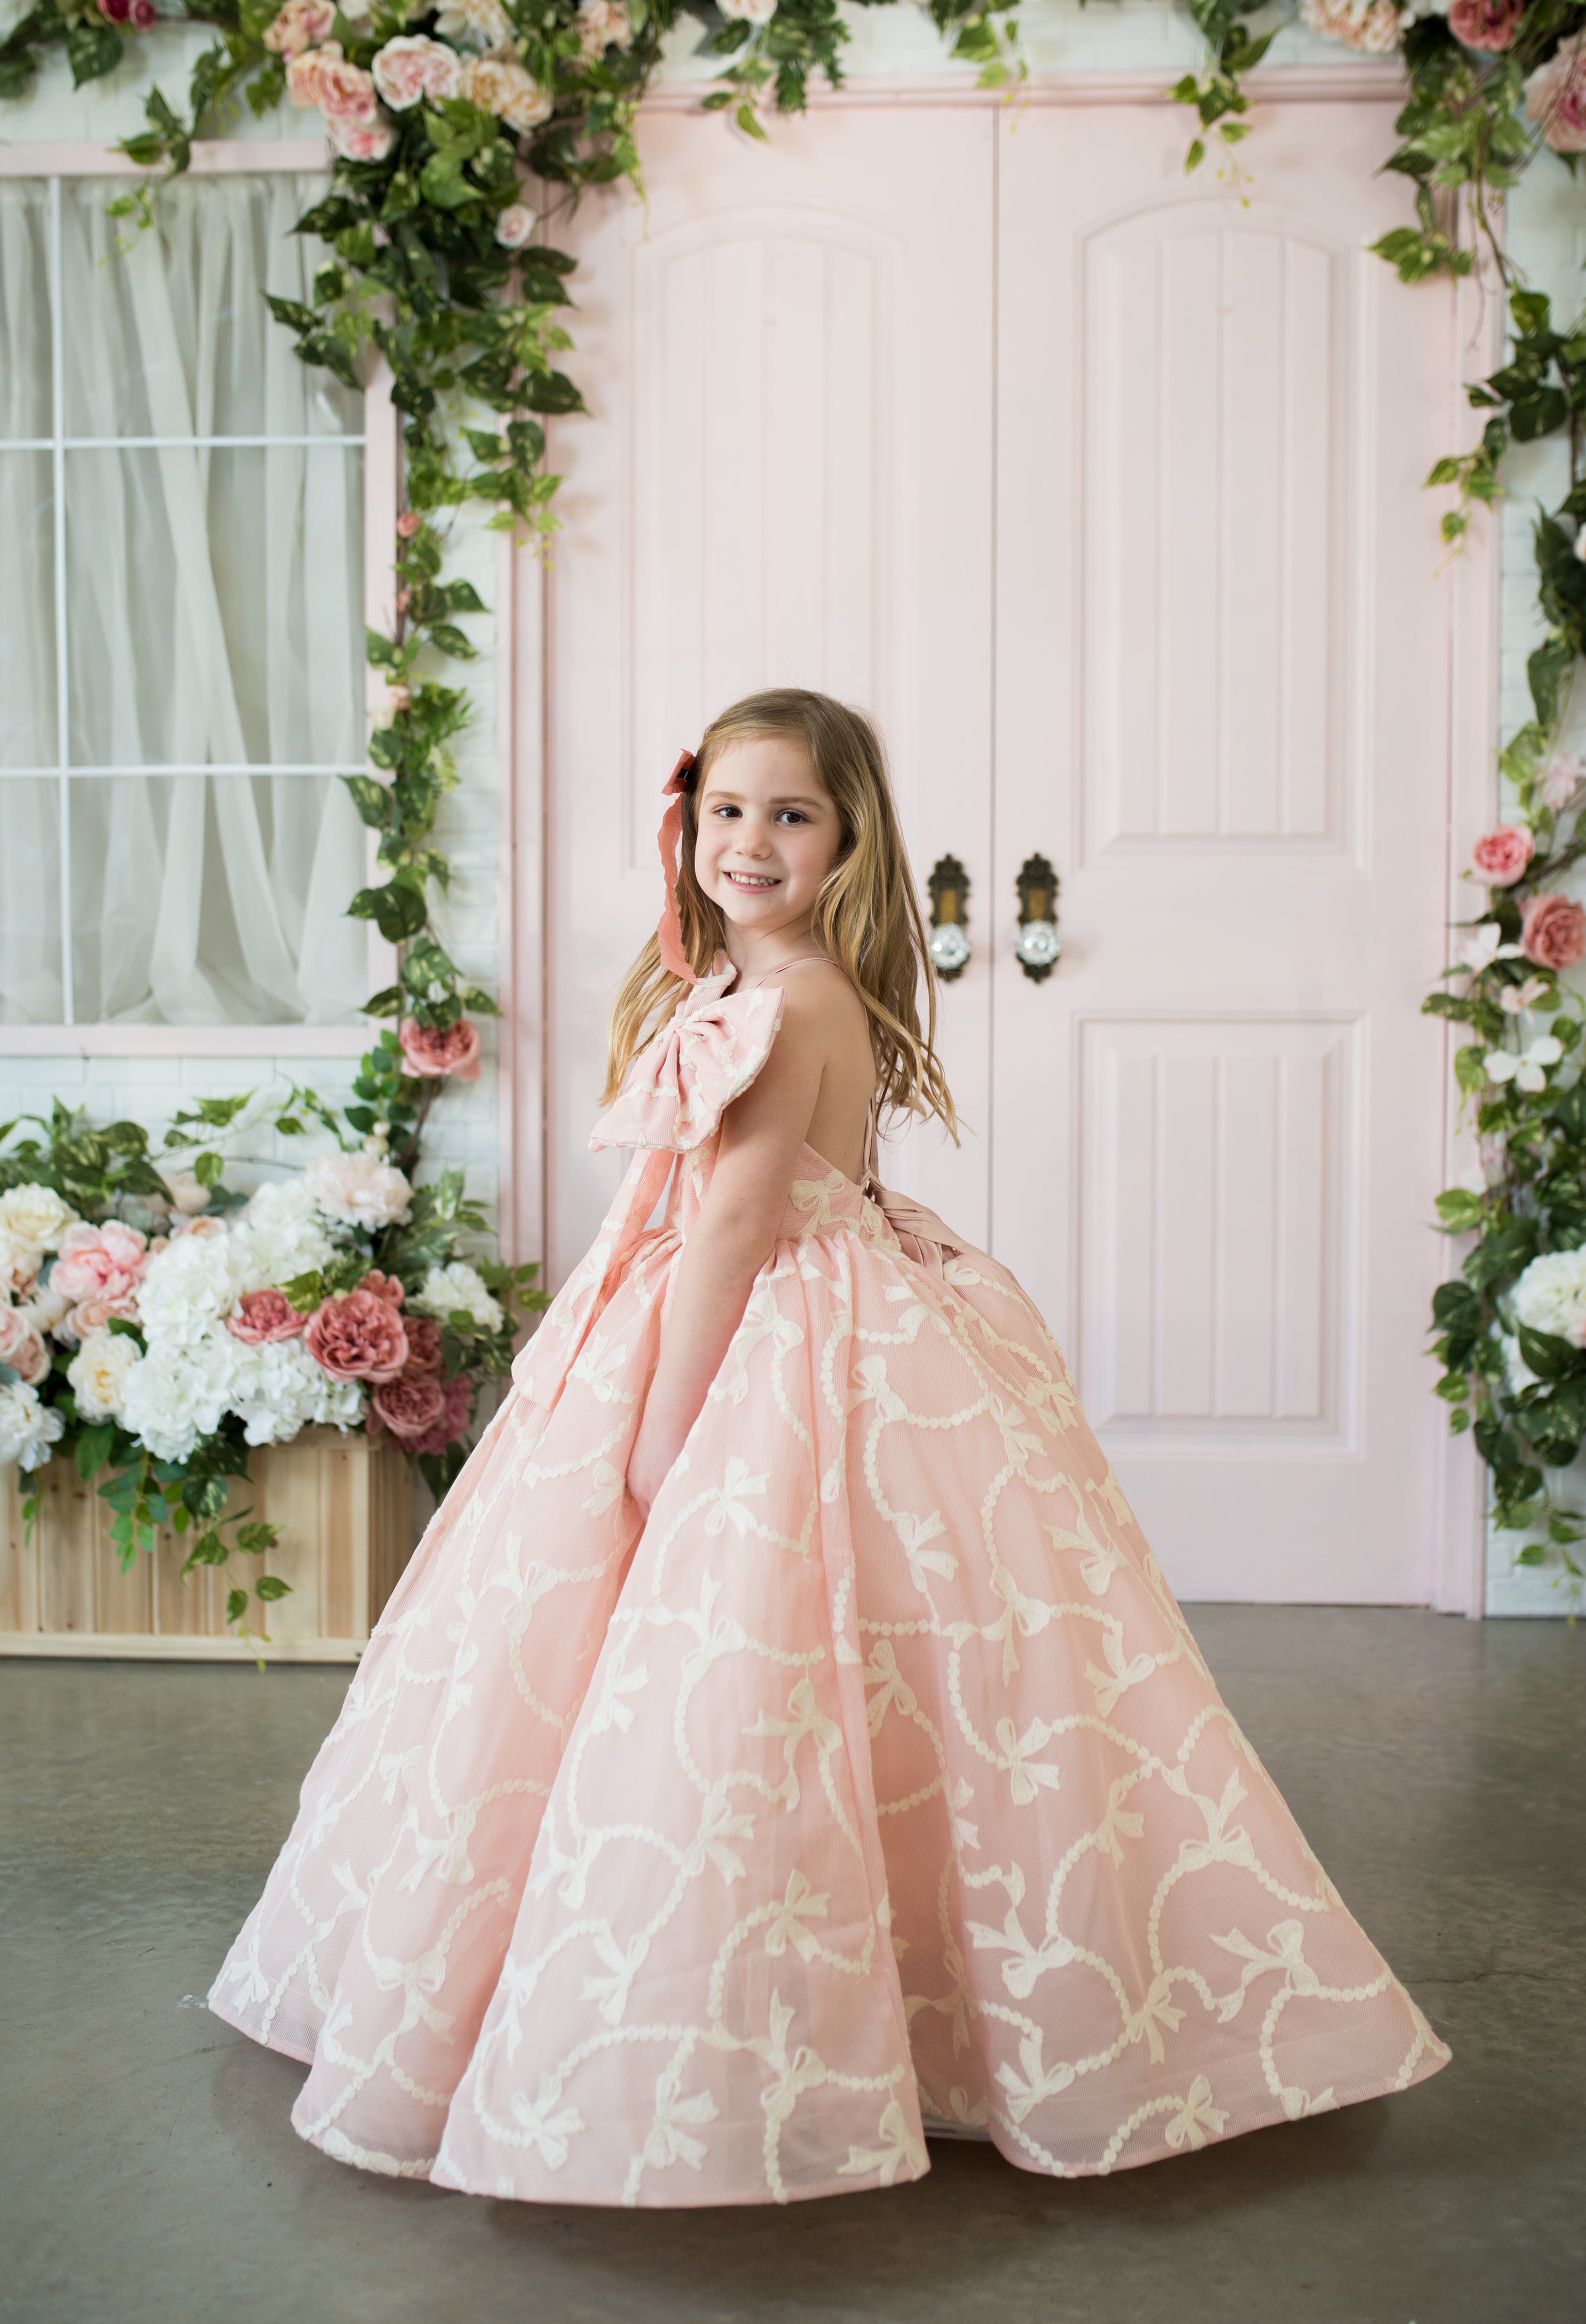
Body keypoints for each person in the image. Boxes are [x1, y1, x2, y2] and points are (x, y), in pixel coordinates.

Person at [210, 688, 1448, 2207]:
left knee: (757, 1670)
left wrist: (663, 1438)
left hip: (754, 1342)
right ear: (690, 825)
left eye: (790, 815)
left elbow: (731, 1225)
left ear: (846, 842)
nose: (750, 840)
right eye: (726, 810)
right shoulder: (754, 983)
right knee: (874, 1669)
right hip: (799, 1303)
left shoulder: (786, 1002)